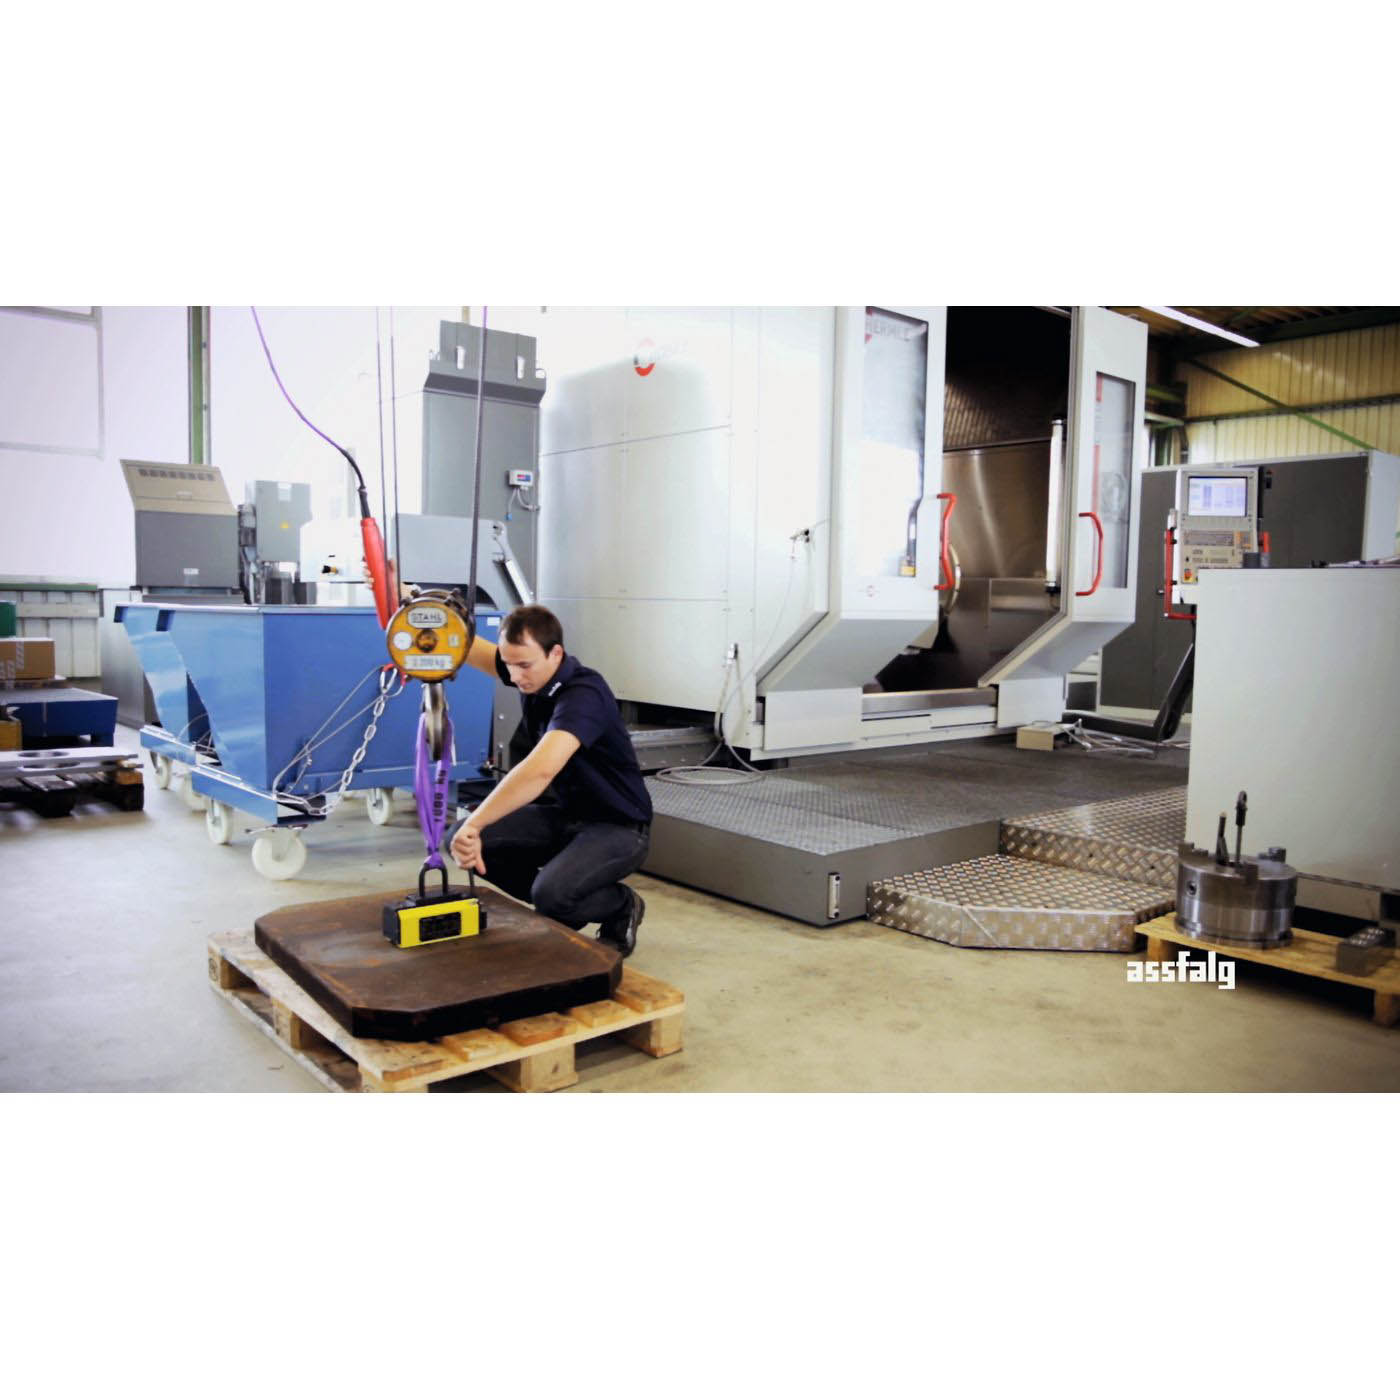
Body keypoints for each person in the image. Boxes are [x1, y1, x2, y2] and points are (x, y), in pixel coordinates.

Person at [448, 604, 651, 956]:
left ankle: (619, 905)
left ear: (555, 653)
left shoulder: (584, 694)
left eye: (523, 666)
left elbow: (540, 770)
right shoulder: (528, 668)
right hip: (565, 815)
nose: (514, 677)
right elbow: (459, 643)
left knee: (550, 894)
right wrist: (401, 595)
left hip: (618, 826)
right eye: (508, 665)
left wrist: (476, 821)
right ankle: (562, 901)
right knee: (460, 838)